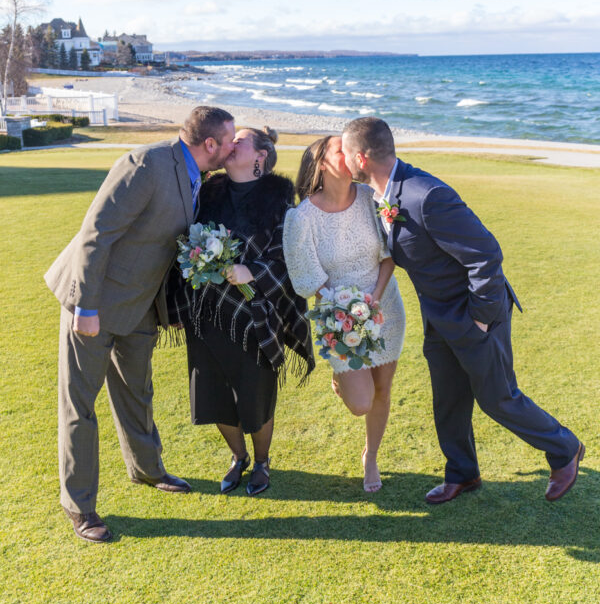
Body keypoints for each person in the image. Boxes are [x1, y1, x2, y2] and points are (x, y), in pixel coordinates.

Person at [341, 116, 584, 504]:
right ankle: (462, 474)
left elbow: (486, 255)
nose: (344, 160)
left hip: (474, 314)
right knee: (448, 399)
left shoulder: (426, 194)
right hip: (438, 318)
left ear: (361, 156)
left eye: (345, 152)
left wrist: (481, 317)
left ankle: (564, 450)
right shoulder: (380, 196)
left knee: (497, 398)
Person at [44, 106, 236, 542]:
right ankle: (80, 507)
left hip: (140, 307)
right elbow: (98, 233)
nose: (231, 147)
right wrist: (86, 307)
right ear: (210, 144)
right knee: (80, 405)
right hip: (92, 303)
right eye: (229, 141)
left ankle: (147, 470)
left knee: (137, 391)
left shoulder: (196, 176)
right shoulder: (145, 164)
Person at [168, 126, 314, 496]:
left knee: (255, 395)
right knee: (212, 392)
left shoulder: (281, 202)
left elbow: (293, 262)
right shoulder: (208, 191)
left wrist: (254, 272)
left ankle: (262, 461)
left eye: (240, 140)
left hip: (255, 317)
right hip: (205, 311)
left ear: (260, 156)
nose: (231, 145)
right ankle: (238, 456)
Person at [282, 136, 405, 492]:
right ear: (322, 163)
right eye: (341, 149)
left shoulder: (371, 198)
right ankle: (340, 379)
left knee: (382, 389)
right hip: (338, 318)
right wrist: (346, 308)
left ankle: (372, 457)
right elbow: (307, 278)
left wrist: (374, 301)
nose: (351, 154)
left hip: (385, 308)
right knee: (360, 404)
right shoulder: (301, 218)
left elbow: (390, 252)